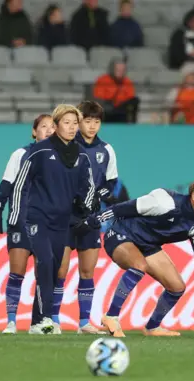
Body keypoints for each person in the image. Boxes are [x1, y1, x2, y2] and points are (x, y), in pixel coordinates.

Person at [75, 178, 194, 337]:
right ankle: (111, 316)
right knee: (138, 265)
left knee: (177, 287)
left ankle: (152, 327)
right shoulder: (164, 201)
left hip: (147, 246)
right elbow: (122, 208)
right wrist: (93, 220)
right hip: (121, 234)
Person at [8, 105, 95, 334]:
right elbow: (20, 185)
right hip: (37, 218)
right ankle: (42, 320)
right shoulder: (39, 151)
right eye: (66, 122)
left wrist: (84, 206)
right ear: (56, 126)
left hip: (63, 222)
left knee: (55, 269)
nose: (72, 127)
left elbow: (89, 188)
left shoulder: (82, 155)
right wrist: (16, 217)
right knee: (45, 263)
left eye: (75, 123)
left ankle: (39, 321)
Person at [0, 114, 75, 334]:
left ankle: (45, 319)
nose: (47, 130)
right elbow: (5, 185)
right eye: (43, 126)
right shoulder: (21, 154)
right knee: (17, 273)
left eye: (51, 127)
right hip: (20, 220)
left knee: (45, 273)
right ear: (34, 131)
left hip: (46, 224)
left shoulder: (58, 157)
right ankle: (11, 322)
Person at [69, 101, 117, 334]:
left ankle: (83, 322)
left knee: (87, 270)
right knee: (57, 270)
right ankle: (52, 320)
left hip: (91, 217)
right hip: (66, 215)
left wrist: (100, 194)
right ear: (79, 122)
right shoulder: (67, 146)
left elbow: (111, 182)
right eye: (87, 121)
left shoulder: (106, 150)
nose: (92, 126)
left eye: (96, 121)